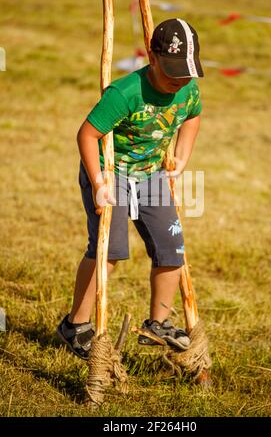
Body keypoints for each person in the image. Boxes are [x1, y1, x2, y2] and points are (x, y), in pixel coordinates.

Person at [57, 18, 204, 360]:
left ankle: (158, 324)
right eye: (172, 74)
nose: (178, 82)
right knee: (111, 251)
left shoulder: (188, 88)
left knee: (172, 248)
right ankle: (75, 325)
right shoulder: (125, 92)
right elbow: (87, 135)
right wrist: (98, 183)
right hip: (112, 173)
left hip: (152, 174)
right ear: (151, 58)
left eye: (186, 74)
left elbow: (193, 115)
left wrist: (181, 159)